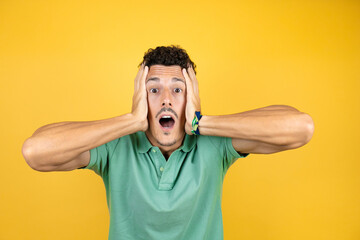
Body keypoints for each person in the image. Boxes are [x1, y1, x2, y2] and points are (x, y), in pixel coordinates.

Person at [22, 45, 314, 240]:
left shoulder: (214, 145)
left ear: (191, 98)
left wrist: (202, 122)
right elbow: (35, 151)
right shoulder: (115, 145)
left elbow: (301, 128)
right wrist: (130, 122)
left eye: (178, 89)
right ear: (140, 98)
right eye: (153, 90)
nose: (165, 99)